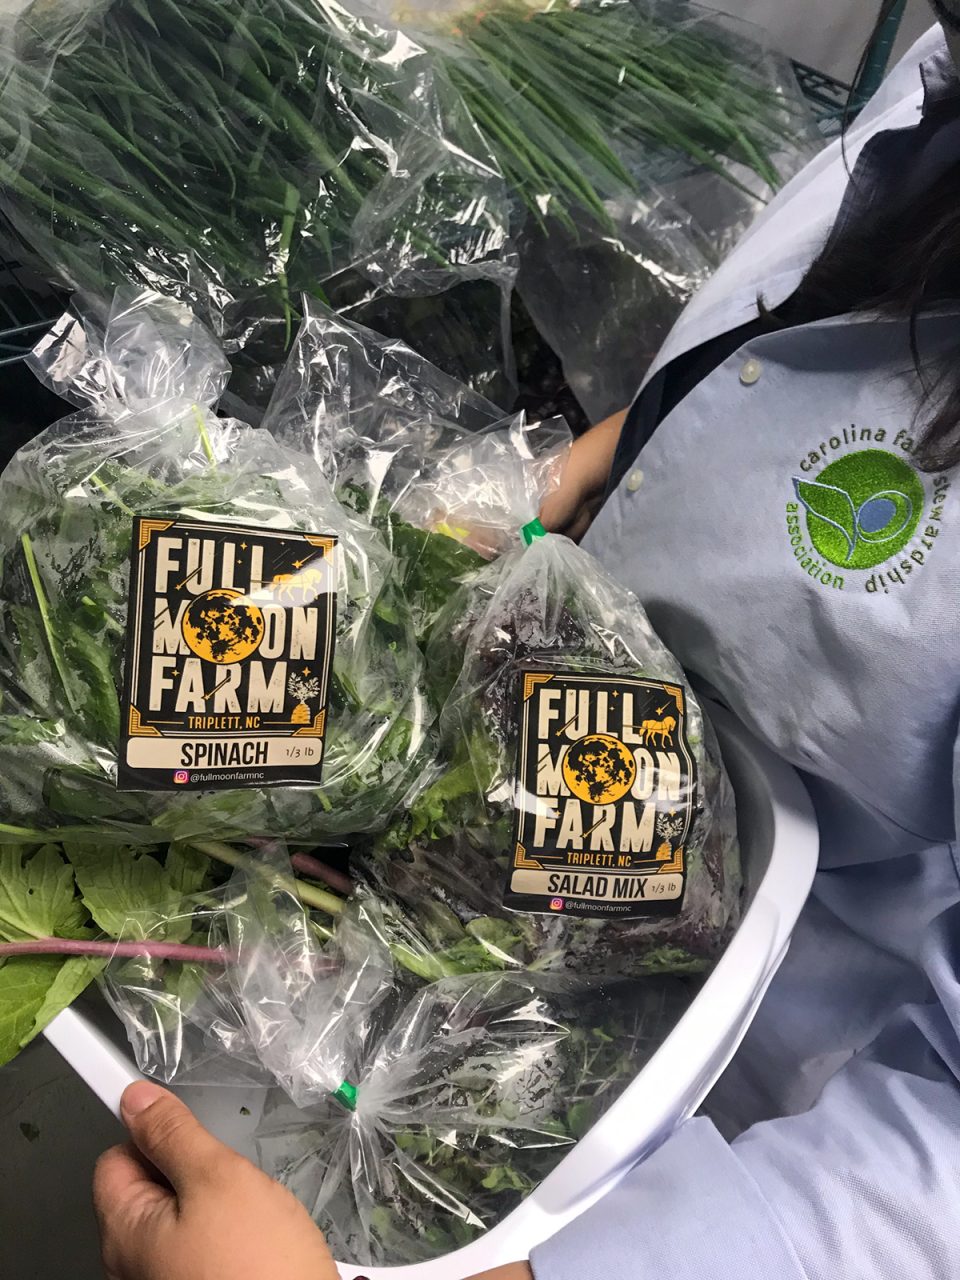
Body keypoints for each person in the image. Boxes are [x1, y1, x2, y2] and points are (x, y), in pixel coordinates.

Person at [94, 5, 960, 1278]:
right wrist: (621, 448)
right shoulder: (935, 92)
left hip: (719, 1086)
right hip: (556, 795)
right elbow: (806, 339)